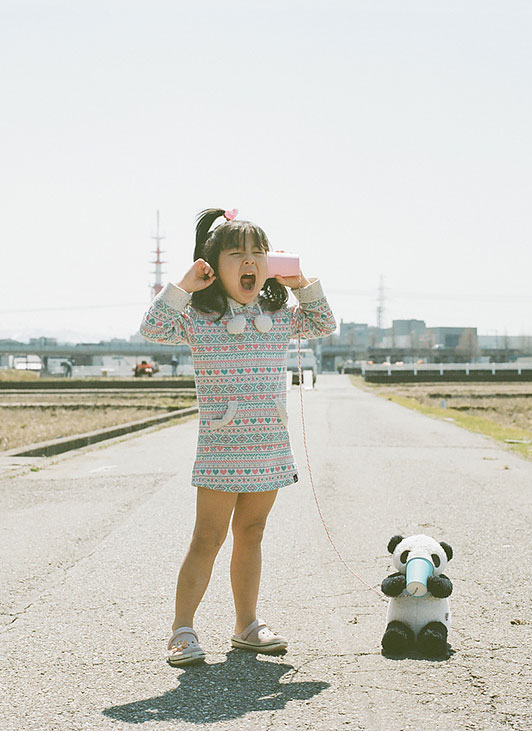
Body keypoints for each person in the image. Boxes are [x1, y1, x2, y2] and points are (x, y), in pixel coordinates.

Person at [139, 208, 336, 666]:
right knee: (207, 537)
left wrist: (301, 283)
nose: (249, 261)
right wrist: (184, 286)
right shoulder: (199, 318)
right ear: (213, 266)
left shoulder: (280, 316)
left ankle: (246, 625)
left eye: (258, 253)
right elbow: (152, 328)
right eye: (236, 254)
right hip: (222, 447)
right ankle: (182, 630)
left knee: (252, 532)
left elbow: (324, 323)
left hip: (268, 444)